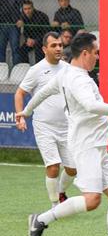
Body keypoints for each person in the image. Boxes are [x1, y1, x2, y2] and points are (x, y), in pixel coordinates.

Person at [17, 32, 108, 236]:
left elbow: (43, 93)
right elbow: (90, 105)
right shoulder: (78, 79)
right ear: (85, 53)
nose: (98, 57)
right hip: (87, 145)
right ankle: (41, 220)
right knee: (92, 200)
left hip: (97, 145)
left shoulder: (66, 74)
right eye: (96, 53)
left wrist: (25, 111)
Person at [14, 31, 76, 207]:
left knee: (73, 169)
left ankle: (61, 192)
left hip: (66, 127)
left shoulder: (68, 68)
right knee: (53, 166)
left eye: (60, 45)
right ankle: (55, 205)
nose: (58, 48)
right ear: (44, 49)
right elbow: (19, 93)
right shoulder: (36, 70)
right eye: (53, 45)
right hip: (44, 126)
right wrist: (20, 116)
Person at [0, 0, 24, 66]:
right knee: (1, 49)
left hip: (13, 24)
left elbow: (23, 6)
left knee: (15, 49)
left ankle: (16, 70)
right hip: (1, 25)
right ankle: (1, 70)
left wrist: (21, 19)